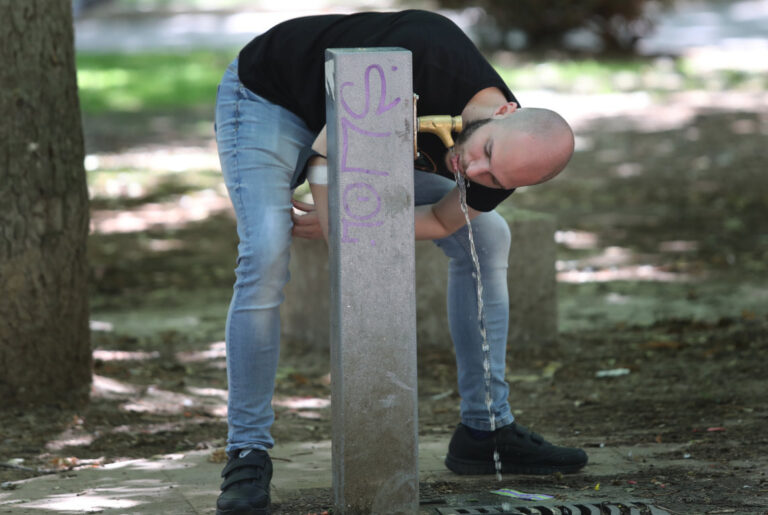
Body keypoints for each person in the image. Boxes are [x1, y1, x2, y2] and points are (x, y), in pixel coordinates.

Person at [213, 10, 586, 515]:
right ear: (504, 113)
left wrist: (335, 221)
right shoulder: (425, 56)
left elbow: (437, 220)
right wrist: (341, 220)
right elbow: (328, 159)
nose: (471, 171)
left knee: (489, 235)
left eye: (494, 178)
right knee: (266, 249)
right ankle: (248, 451)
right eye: (485, 154)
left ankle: (486, 429)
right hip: (271, 97)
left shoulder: (501, 168)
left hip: (358, 141)